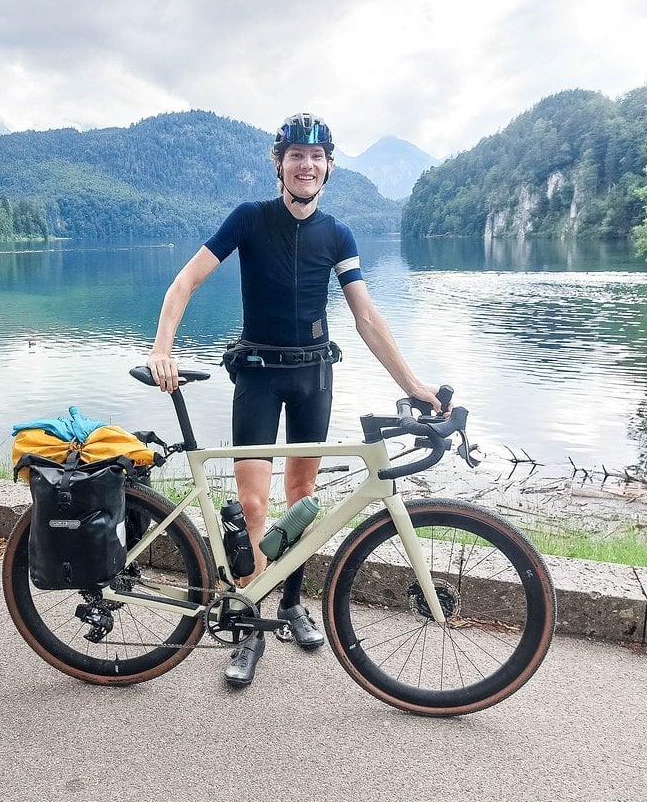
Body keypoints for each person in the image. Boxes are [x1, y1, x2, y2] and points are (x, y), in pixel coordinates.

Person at [147, 112, 442, 688]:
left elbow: (365, 316)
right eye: (295, 156)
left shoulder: (338, 235)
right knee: (254, 506)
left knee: (303, 499)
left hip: (313, 378)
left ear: (328, 166)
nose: (305, 165)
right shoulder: (250, 220)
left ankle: (290, 602)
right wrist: (163, 349)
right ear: (279, 164)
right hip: (257, 374)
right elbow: (185, 283)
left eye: (316, 156)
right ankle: (250, 622)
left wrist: (414, 386)